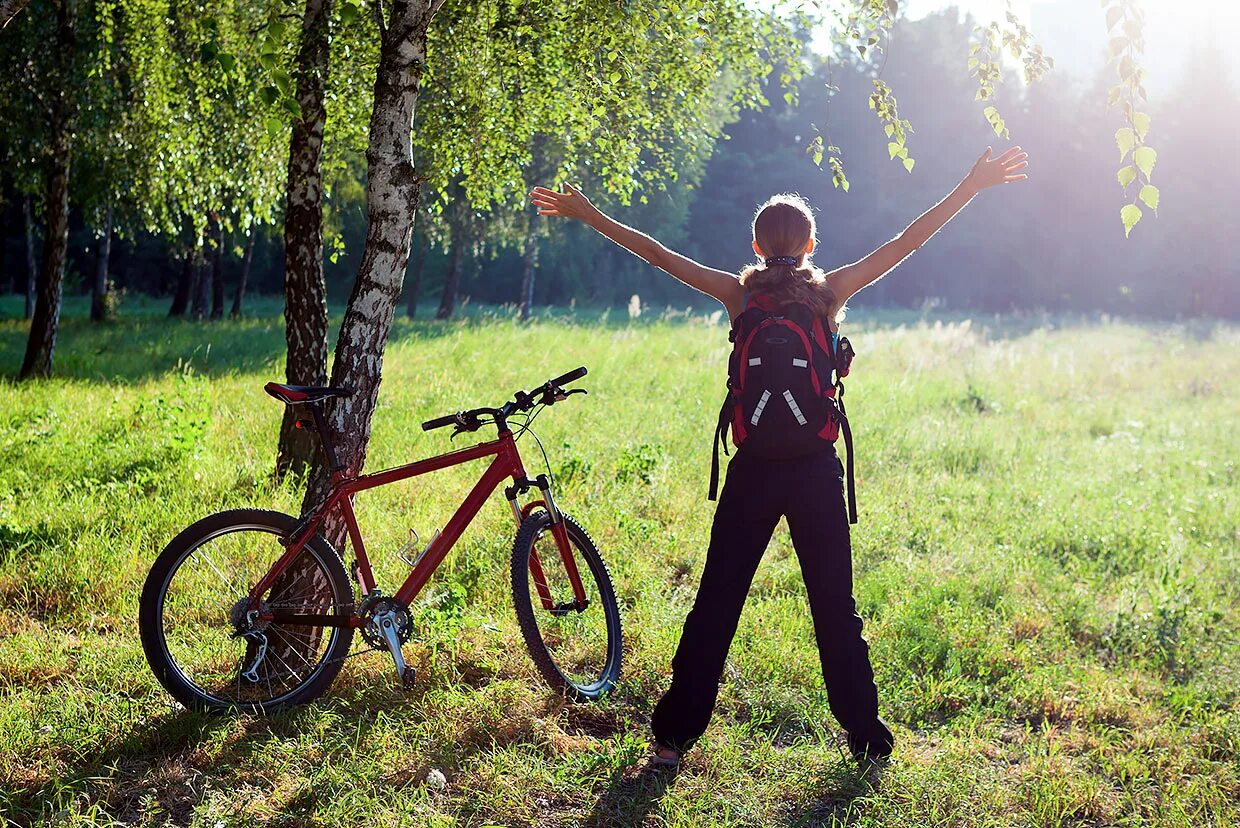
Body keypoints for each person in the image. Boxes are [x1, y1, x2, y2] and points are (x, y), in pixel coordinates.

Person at [529, 146, 1030, 767]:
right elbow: (907, 241)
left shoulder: (739, 298)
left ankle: (670, 742)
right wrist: (972, 184)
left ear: (757, 244)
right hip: (816, 473)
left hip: (753, 472)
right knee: (834, 609)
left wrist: (589, 215)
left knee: (716, 601)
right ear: (812, 243)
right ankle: (867, 742)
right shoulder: (829, 294)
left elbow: (657, 254)